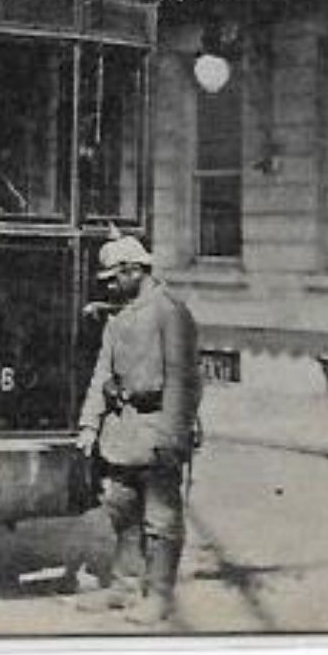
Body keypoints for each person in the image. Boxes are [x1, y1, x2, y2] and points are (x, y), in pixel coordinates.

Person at [75, 235, 201, 625]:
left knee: (161, 520)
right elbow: (101, 374)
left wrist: (172, 437)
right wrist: (89, 424)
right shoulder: (119, 316)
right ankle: (124, 586)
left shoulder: (170, 313)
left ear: (135, 271)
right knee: (121, 510)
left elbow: (184, 382)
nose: (108, 286)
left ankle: (159, 596)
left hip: (157, 429)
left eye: (113, 278)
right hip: (121, 433)